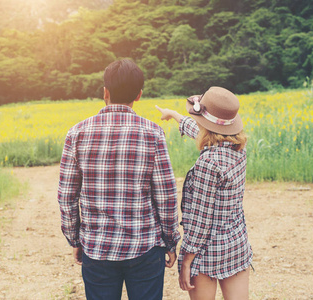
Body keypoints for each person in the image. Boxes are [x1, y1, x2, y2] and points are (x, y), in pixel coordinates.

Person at [57, 59, 181, 300]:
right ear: (139, 95)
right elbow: (166, 195)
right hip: (145, 248)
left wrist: (75, 239)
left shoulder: (77, 133)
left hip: (97, 247)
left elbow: (66, 196)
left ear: (105, 92)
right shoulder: (153, 133)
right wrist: (170, 241)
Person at [156, 86, 253, 300]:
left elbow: (201, 222)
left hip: (206, 252)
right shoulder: (238, 148)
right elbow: (200, 130)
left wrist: (186, 260)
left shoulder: (208, 163)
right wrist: (173, 115)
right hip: (235, 244)